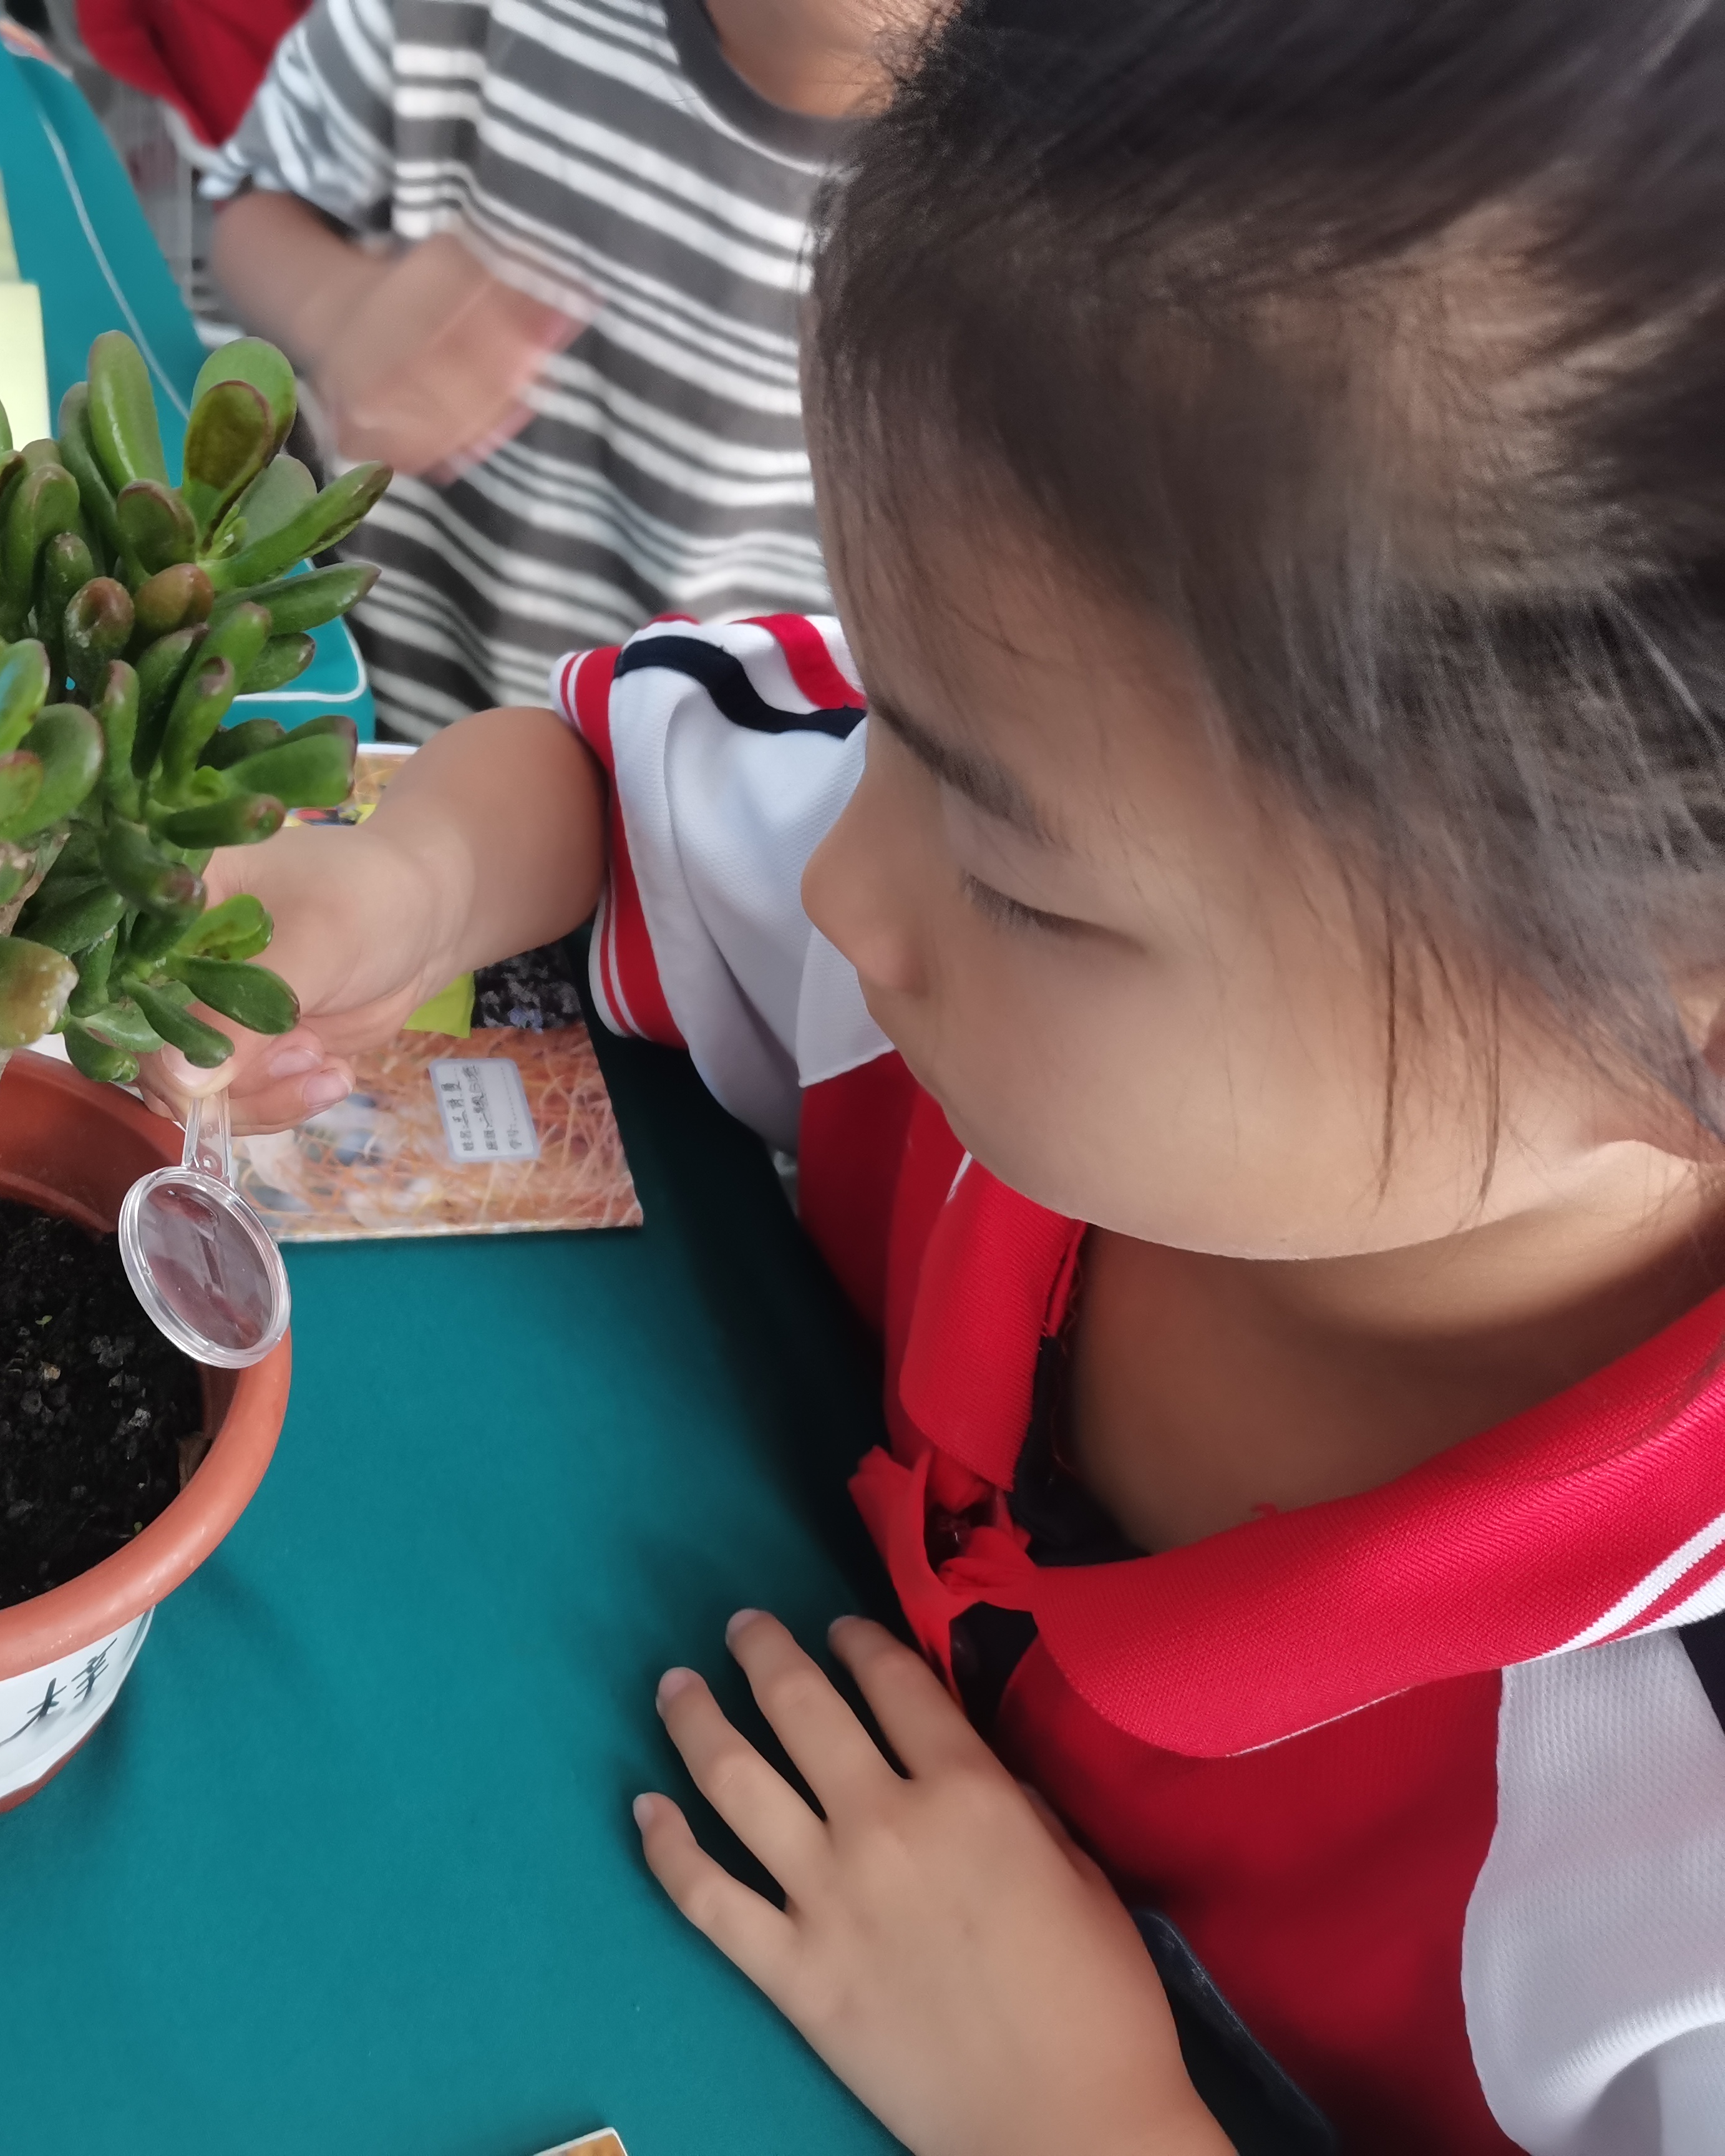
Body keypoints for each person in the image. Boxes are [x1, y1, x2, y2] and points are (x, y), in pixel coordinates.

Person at [162, 0, 1725, 2144]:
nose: (845, 886)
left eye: (1016, 874)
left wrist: (1083, 2113)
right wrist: (403, 880)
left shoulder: (1670, 1859)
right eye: (897, 722)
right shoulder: (1006, 953)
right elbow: (624, 779)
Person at [195, 0, 908, 739]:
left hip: (681, 777)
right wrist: (336, 306)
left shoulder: (988, 222)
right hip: (342, 692)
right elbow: (255, 198)